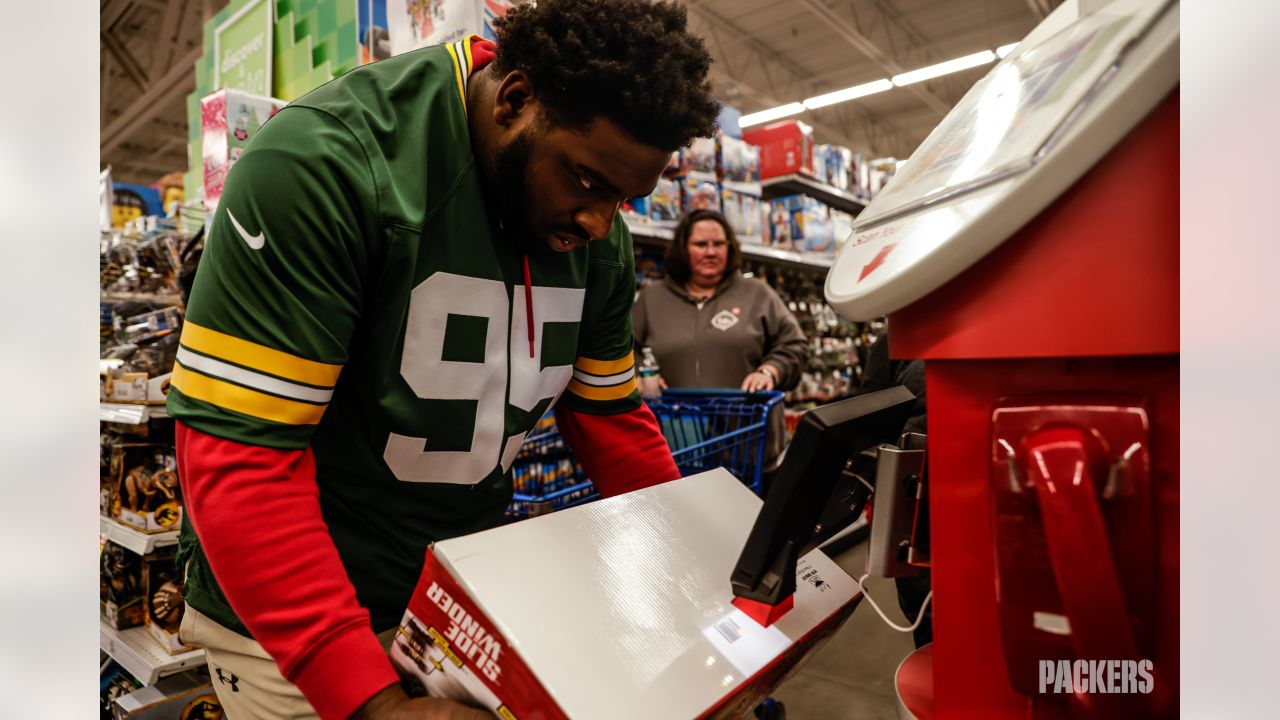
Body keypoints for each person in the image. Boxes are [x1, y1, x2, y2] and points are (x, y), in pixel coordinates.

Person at [165, 1, 721, 718]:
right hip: (287, 617)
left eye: (624, 198)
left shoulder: (593, 233)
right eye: (587, 182)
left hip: (457, 595)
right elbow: (243, 462)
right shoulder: (321, 164)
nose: (600, 224)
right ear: (515, 100)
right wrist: (373, 702)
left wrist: (698, 574)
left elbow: (611, 419)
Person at [632, 208, 808, 480]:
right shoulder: (651, 298)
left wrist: (769, 371)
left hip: (749, 450)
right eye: (701, 244)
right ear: (683, 249)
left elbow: (794, 345)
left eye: (719, 244)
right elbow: (619, 350)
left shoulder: (757, 294)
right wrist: (638, 375)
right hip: (677, 450)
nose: (711, 252)